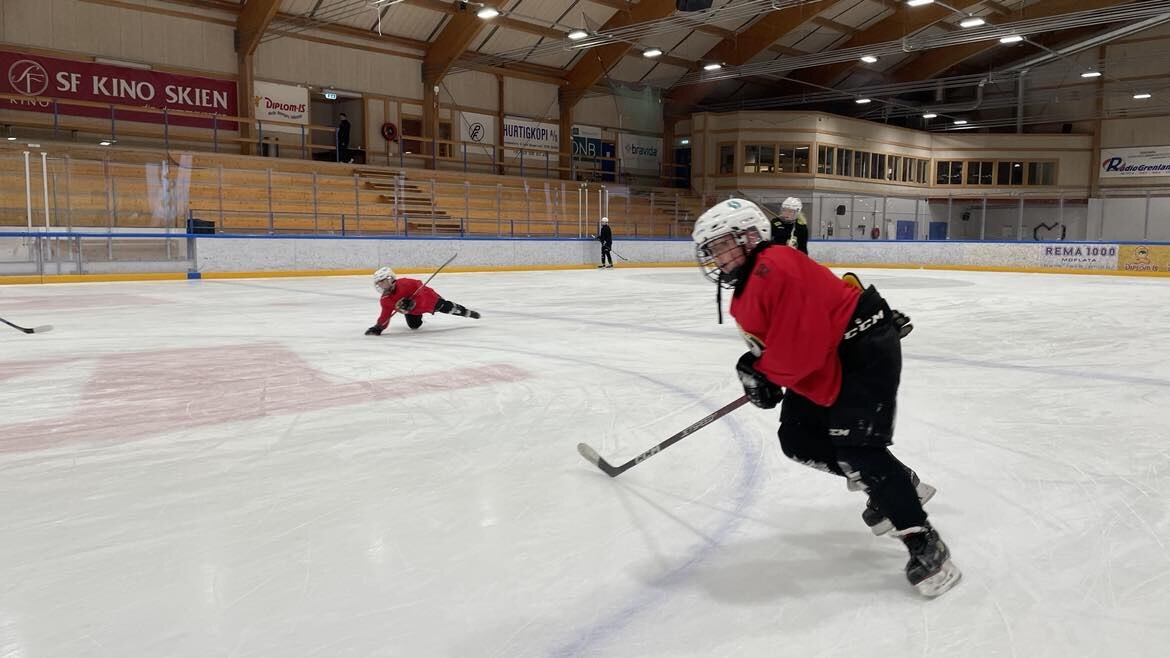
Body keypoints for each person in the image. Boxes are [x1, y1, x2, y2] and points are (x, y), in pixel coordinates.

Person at [691, 198, 961, 597]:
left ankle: (924, 541)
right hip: (831, 356)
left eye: (721, 245)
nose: (716, 257)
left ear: (749, 236)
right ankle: (894, 482)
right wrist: (761, 370)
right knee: (798, 437)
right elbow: (790, 340)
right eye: (711, 250)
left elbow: (802, 345)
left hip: (861, 347)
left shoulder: (776, 264)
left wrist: (763, 372)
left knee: (857, 446)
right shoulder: (748, 290)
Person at [364, 267, 480, 335]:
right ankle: (418, 316)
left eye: (383, 282)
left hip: (430, 300)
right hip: (414, 311)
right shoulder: (385, 300)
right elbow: (385, 315)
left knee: (448, 309)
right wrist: (379, 327)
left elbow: (420, 286)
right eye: (379, 283)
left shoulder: (405, 283)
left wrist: (414, 301)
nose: (381, 285)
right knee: (414, 326)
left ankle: (465, 311)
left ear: (390, 279)